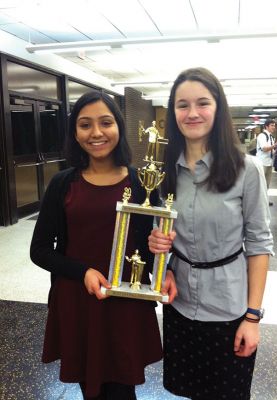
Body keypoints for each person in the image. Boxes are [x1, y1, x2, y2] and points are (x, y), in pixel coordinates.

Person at [148, 67, 273, 400]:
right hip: (181, 308)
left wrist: (253, 317)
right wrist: (164, 262)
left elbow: (260, 245)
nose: (192, 113)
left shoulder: (246, 170)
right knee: (190, 392)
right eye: (182, 105)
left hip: (230, 310)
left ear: (218, 109)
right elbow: (162, 232)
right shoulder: (164, 171)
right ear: (172, 112)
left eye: (202, 103)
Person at [30, 91, 162, 400]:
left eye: (106, 122)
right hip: (79, 300)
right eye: (85, 125)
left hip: (125, 303)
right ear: (75, 133)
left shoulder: (142, 182)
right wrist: (83, 272)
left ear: (119, 127)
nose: (97, 133)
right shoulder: (63, 183)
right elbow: (39, 250)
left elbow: (150, 245)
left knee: (121, 388)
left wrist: (161, 252)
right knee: (90, 389)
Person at [256, 118, 277, 205]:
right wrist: (276, 144)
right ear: (266, 126)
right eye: (272, 125)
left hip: (269, 163)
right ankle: (257, 202)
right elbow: (264, 149)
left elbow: (270, 150)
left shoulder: (271, 137)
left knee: (267, 184)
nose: (273, 127)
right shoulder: (262, 136)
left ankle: (264, 201)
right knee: (260, 184)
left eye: (274, 126)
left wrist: (276, 151)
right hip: (262, 163)